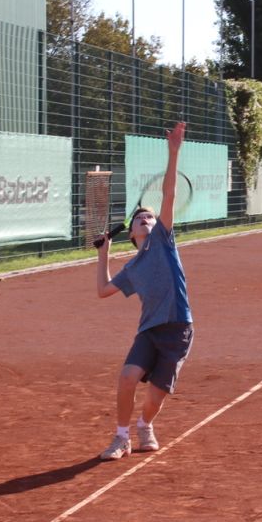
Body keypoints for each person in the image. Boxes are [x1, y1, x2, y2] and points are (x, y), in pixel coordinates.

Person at [93, 121, 194, 461]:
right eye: (141, 220)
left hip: (178, 329)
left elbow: (169, 194)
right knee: (126, 377)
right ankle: (120, 437)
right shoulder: (133, 268)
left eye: (151, 218)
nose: (147, 220)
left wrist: (174, 151)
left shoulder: (165, 241)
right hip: (149, 331)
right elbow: (104, 290)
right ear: (133, 234)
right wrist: (104, 253)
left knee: (156, 395)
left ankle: (144, 425)